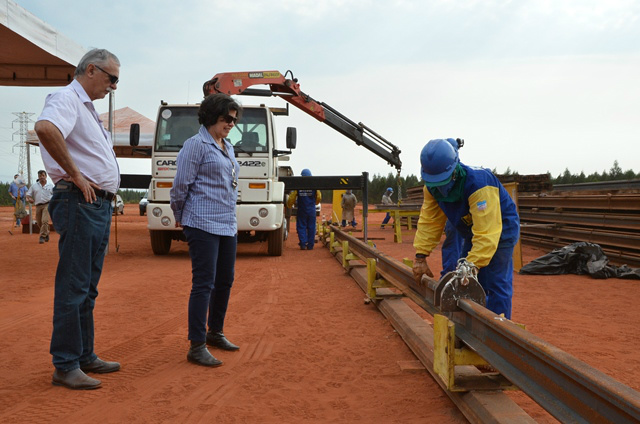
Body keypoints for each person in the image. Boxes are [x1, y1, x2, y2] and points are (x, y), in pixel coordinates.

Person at [34, 48, 122, 390]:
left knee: (87, 288)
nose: (113, 86)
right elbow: (44, 127)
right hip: (79, 201)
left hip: (95, 205)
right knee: (74, 286)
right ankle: (66, 363)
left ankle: (84, 356)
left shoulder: (86, 107)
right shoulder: (67, 98)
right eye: (111, 78)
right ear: (90, 70)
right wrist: (77, 175)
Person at [170, 93, 242, 367]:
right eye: (227, 118)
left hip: (226, 222)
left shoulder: (228, 146)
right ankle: (196, 344)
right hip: (201, 222)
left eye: (234, 120)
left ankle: (216, 332)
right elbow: (180, 186)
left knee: (225, 281)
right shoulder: (195, 145)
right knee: (204, 283)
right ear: (212, 116)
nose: (231, 124)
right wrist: (180, 215)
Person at [412, 139, 520, 319]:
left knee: (495, 282)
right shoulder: (432, 188)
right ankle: (470, 329)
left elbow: (487, 232)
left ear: (454, 170)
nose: (440, 187)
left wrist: (472, 265)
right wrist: (420, 255)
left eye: (442, 181)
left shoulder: (479, 184)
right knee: (465, 281)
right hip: (471, 231)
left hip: (501, 229)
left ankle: (498, 333)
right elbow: (430, 221)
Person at [440, 138, 465, 277]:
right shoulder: (447, 170)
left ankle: (450, 275)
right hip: (455, 217)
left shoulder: (461, 173)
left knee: (457, 244)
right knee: (455, 243)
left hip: (461, 216)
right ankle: (450, 276)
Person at [286, 169, 321, 250]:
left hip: (302, 210)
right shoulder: (314, 185)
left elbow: (292, 197)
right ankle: (310, 245)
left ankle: (303, 244)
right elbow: (319, 196)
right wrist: (315, 203)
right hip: (311, 210)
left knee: (301, 226)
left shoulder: (299, 185)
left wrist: (289, 205)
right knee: (311, 227)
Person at [26, 170, 54, 244]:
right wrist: (29, 199)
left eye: (43, 175)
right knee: (39, 222)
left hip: (47, 204)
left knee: (44, 221)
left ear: (46, 176)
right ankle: (46, 233)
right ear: (38, 177)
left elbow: (55, 195)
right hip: (38, 205)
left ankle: (42, 236)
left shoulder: (50, 185)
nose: (41, 177)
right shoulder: (34, 186)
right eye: (40, 176)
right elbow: (28, 195)